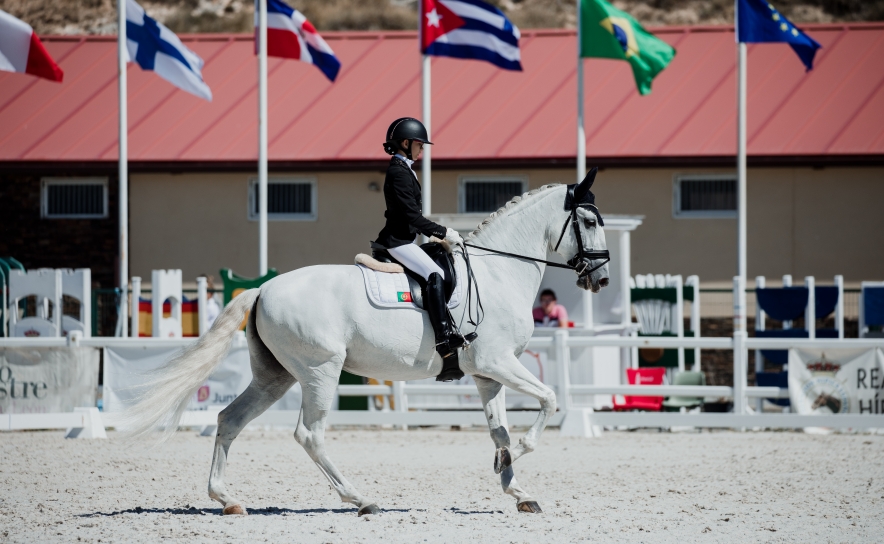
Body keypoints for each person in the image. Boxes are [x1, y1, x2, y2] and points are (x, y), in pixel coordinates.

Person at [374, 117, 468, 382]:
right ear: (405, 143)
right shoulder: (398, 172)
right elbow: (412, 217)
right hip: (397, 242)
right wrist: (444, 232)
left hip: (406, 239)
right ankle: (444, 341)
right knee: (434, 274)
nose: (422, 150)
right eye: (418, 144)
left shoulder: (405, 169)